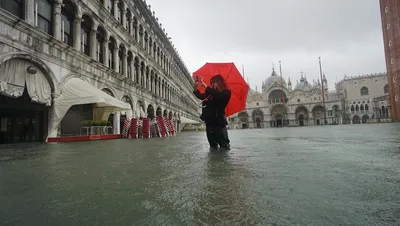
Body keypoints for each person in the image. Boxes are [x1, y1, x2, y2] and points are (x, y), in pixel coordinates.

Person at [193, 74, 231, 150]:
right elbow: (201, 96)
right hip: (209, 122)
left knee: (224, 145)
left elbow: (218, 96)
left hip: (219, 123)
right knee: (212, 146)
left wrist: (206, 87)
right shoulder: (210, 93)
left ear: (219, 82)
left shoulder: (226, 92)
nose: (212, 84)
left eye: (214, 82)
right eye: (211, 83)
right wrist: (195, 87)